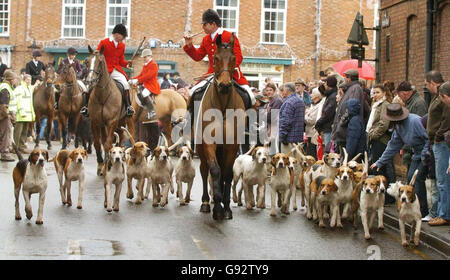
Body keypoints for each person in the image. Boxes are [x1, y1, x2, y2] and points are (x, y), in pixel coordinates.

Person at [183, 8, 255, 121]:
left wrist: (226, 70)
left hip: (231, 74)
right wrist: (189, 46)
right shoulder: (206, 39)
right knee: (192, 92)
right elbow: (198, 57)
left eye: (205, 24)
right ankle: (189, 121)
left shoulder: (228, 36)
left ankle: (252, 125)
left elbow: (238, 57)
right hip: (211, 74)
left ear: (213, 24)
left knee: (250, 96)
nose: (203, 28)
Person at [370, 104, 429, 218]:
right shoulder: (398, 127)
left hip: (426, 153)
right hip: (416, 154)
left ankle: (423, 210)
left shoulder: (415, 121)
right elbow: (393, 145)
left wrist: (424, 155)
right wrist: (380, 162)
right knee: (411, 179)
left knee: (418, 180)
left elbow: (428, 138)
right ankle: (414, 207)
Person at [80, 23, 134, 117]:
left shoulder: (122, 46)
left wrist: (127, 63)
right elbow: (96, 55)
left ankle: (128, 107)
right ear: (116, 34)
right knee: (90, 85)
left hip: (115, 70)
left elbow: (120, 61)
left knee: (125, 84)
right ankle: (86, 107)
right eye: (122, 36)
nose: (123, 39)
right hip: (103, 70)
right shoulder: (104, 42)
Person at [425, 72, 450, 226]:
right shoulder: (439, 97)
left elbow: (447, 120)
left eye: (427, 84)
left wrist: (438, 135)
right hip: (439, 142)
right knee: (442, 180)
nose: (426, 87)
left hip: (441, 143)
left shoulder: (443, 95)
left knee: (442, 180)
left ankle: (444, 214)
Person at [366, 84, 396, 203]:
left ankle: (388, 197)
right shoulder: (375, 105)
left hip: (381, 140)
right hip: (374, 140)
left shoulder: (385, 105)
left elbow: (384, 124)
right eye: (374, 92)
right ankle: (380, 194)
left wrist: (373, 134)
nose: (375, 95)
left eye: (378, 92)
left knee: (382, 167)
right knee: (377, 167)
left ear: (384, 93)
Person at [331, 68, 369, 155]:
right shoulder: (351, 88)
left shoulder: (355, 88)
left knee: (347, 156)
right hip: (345, 129)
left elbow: (352, 107)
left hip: (348, 130)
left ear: (349, 78)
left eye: (346, 77)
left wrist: (342, 122)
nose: (344, 79)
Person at [396, 81, 428, 169]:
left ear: (405, 93)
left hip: (416, 149)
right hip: (411, 148)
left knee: (414, 177)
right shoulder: (410, 103)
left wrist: (407, 147)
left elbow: (421, 128)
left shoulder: (418, 103)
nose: (399, 98)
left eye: (399, 95)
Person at [129, 49, 160, 120]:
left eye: (145, 57)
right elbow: (141, 75)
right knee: (138, 93)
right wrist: (131, 80)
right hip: (146, 84)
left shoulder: (153, 65)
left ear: (149, 56)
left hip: (152, 85)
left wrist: (137, 80)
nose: (144, 59)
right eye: (144, 57)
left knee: (144, 94)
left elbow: (148, 76)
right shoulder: (145, 65)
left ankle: (152, 111)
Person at [279, 82, 305, 154]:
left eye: (283, 90)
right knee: (296, 163)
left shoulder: (289, 103)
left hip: (288, 140)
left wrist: (281, 137)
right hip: (298, 139)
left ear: (287, 91)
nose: (283, 92)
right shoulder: (300, 101)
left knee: (288, 162)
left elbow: (286, 121)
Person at [13, 74, 36, 154]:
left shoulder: (29, 88)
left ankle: (21, 147)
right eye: (27, 80)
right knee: (17, 132)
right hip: (21, 115)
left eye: (30, 80)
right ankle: (14, 148)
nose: (29, 81)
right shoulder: (20, 89)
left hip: (27, 115)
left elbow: (29, 102)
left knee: (24, 132)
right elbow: (18, 101)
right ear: (24, 80)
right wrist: (22, 112)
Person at [0, 70, 19, 161]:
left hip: (3, 114)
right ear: (11, 79)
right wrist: (9, 116)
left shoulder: (4, 87)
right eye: (14, 79)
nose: (15, 80)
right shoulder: (6, 88)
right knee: (6, 134)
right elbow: (4, 106)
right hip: (4, 116)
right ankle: (5, 153)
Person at [315, 75, 337, 150]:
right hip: (327, 127)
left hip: (329, 127)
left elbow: (327, 113)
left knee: (328, 150)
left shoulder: (332, 97)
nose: (324, 84)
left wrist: (318, 123)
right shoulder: (330, 95)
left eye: (325, 83)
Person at [304, 86, 323, 158]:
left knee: (312, 155)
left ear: (317, 96)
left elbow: (311, 120)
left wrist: (304, 115)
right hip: (309, 133)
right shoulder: (313, 105)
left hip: (313, 134)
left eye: (312, 93)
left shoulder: (318, 106)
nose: (310, 95)